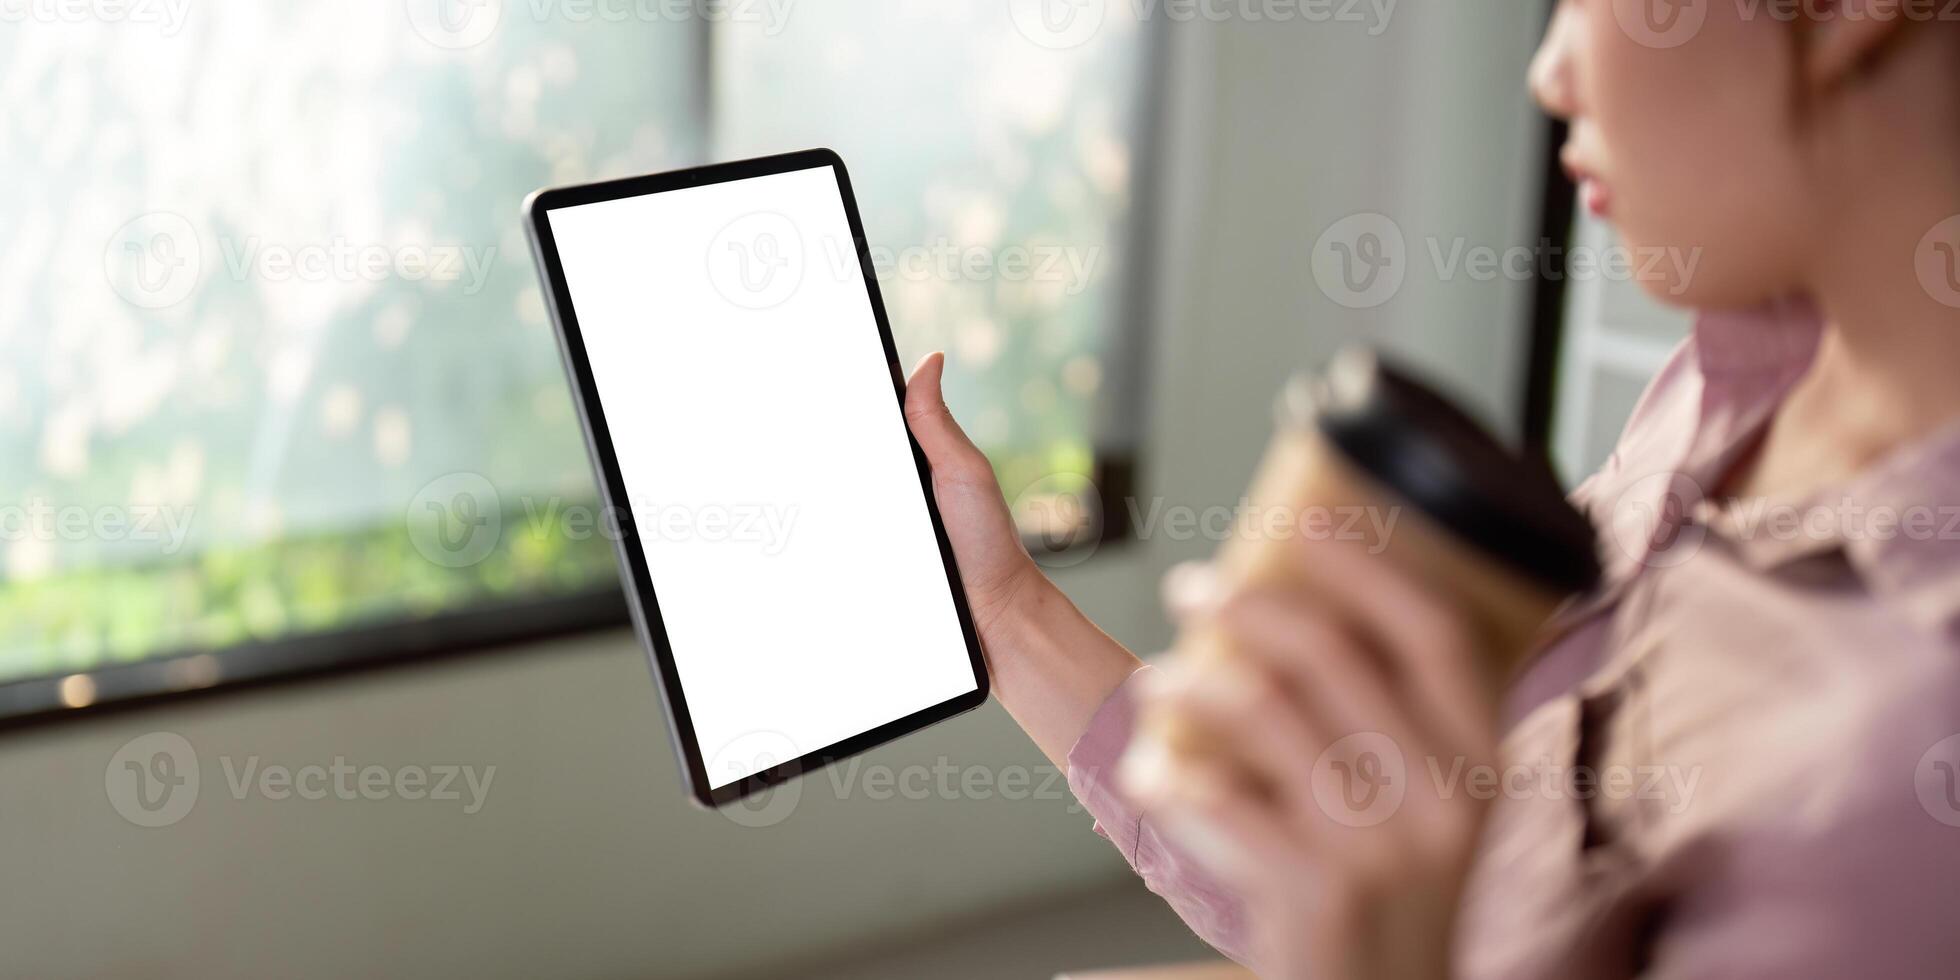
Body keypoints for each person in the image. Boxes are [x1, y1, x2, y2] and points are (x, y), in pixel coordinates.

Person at [900, 2, 1960, 978]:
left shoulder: (1901, 756)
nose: (1547, 72)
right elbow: (1380, 863)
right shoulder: (1732, 378)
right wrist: (1004, 607)